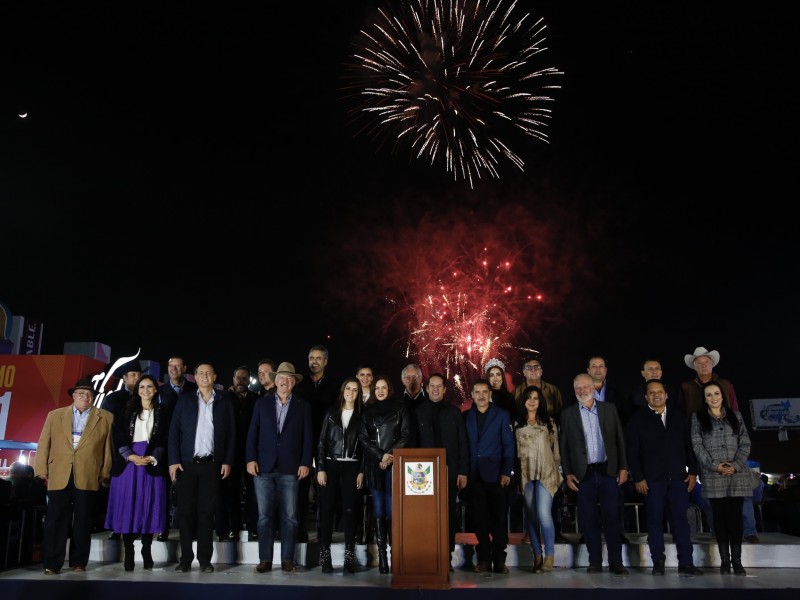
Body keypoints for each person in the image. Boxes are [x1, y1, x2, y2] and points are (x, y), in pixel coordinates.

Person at [35, 378, 114, 575]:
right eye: (81, 394)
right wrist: (40, 469)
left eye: (89, 394)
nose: (85, 397)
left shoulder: (105, 417)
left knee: (83, 520)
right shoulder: (55, 415)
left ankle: (79, 562)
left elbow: (107, 449)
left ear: (93, 397)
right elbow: (44, 443)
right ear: (73, 396)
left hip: (88, 474)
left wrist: (105, 473)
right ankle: (52, 564)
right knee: (55, 520)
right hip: (58, 473)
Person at [625, 379, 704, 577]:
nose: (656, 395)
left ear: (666, 395)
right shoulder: (637, 419)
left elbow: (689, 447)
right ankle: (658, 562)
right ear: (646, 397)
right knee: (654, 522)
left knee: (681, 522)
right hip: (652, 481)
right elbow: (632, 452)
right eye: (651, 393)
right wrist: (639, 478)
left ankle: (686, 562)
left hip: (678, 479)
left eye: (660, 392)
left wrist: (693, 472)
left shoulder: (679, 417)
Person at [168, 361, 236, 574]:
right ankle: (185, 560)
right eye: (200, 373)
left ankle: (205, 560)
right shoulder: (184, 400)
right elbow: (174, 433)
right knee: (186, 513)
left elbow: (232, 434)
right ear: (194, 377)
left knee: (206, 513)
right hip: (187, 465)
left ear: (215, 377)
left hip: (211, 465)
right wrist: (173, 460)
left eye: (209, 372)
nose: (205, 376)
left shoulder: (225, 401)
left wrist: (227, 461)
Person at [246, 361, 313, 574]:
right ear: (275, 381)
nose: (285, 382)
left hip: (291, 468)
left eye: (289, 379)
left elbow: (308, 438)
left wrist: (305, 462)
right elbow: (252, 434)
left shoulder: (303, 406)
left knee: (290, 517)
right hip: (263, 467)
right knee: (264, 516)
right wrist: (250, 459)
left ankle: (287, 560)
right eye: (281, 378)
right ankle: (265, 559)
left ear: (294, 382)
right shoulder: (261, 404)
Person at [559, 373, 629, 576]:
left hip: (608, 471)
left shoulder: (609, 409)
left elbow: (619, 439)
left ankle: (616, 562)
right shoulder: (568, 414)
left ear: (593, 387)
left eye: (585, 387)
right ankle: (595, 562)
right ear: (574, 390)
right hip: (583, 474)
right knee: (588, 520)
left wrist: (624, 467)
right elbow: (564, 448)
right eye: (578, 388)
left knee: (612, 518)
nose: (582, 390)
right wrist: (568, 473)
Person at [105, 374, 169, 571]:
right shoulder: (126, 411)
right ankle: (129, 551)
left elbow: (164, 439)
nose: (146, 390)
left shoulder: (163, 412)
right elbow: (118, 436)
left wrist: (152, 457)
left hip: (151, 463)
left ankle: (147, 550)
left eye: (150, 386)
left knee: (148, 506)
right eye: (142, 387)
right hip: (129, 465)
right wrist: (129, 455)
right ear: (137, 390)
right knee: (129, 506)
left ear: (155, 389)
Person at [691, 381, 752, 576]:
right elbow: (697, 445)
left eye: (716, 393)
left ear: (722, 396)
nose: (713, 397)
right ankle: (725, 561)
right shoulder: (698, 418)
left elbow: (745, 443)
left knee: (735, 519)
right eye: (709, 395)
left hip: (737, 474)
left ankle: (737, 561)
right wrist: (714, 465)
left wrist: (735, 465)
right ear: (705, 398)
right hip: (713, 474)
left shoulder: (736, 416)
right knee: (719, 519)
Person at [359, 374, 413, 574]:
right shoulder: (367, 412)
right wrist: (380, 456)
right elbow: (364, 439)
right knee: (379, 510)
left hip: (395, 465)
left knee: (393, 511)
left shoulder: (400, 408)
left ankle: (394, 554)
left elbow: (406, 434)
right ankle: (382, 556)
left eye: (383, 387)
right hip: (375, 465)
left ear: (389, 389)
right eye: (376, 388)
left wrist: (389, 455)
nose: (380, 391)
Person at [415, 372, 469, 571]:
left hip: (450, 471)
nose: (435, 389)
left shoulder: (454, 412)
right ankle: (429, 555)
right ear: (427, 388)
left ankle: (446, 557)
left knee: (448, 515)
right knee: (427, 515)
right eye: (432, 386)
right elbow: (413, 444)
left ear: (445, 390)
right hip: (424, 474)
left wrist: (463, 472)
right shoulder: (418, 411)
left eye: (439, 386)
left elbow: (463, 442)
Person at [463, 378, 515, 574]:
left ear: (490, 394)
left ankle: (500, 561)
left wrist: (506, 471)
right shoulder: (466, 416)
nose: (481, 396)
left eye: (485, 392)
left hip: (497, 477)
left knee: (499, 520)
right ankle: (483, 559)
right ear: (473, 395)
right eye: (477, 392)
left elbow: (509, 445)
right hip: (475, 476)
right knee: (480, 520)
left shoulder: (502, 415)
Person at [293, 345, 341, 543]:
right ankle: (300, 531)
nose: (314, 361)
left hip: (327, 444)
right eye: (311, 357)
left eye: (318, 358)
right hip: (302, 442)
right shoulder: (299, 384)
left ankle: (323, 532)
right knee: (300, 491)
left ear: (326, 362)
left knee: (325, 490)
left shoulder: (335, 384)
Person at [316, 377, 365, 574]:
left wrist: (361, 471)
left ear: (358, 393)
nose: (351, 392)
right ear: (343, 390)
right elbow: (321, 442)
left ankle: (349, 557)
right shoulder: (331, 413)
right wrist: (320, 468)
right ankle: (325, 555)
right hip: (331, 464)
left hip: (352, 467)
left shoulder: (363, 415)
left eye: (355, 389)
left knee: (350, 511)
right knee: (326, 511)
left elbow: (364, 447)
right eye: (348, 388)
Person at [515, 385, 562, 573]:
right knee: (531, 517)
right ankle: (537, 554)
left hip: (546, 472)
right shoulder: (517, 424)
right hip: (525, 473)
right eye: (529, 397)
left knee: (543, 514)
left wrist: (558, 472)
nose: (532, 400)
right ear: (524, 400)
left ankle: (550, 555)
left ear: (540, 401)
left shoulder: (549, 424)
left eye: (536, 397)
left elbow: (556, 451)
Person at [100, 358, 142, 539]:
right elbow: (105, 429)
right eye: (132, 375)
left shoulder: (147, 397)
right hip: (119, 453)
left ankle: (138, 526)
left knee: (139, 492)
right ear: (124, 379)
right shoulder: (113, 399)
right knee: (119, 494)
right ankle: (117, 527)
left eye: (139, 375)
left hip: (141, 452)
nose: (136, 379)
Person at [156, 354, 197, 542]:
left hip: (189, 448)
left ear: (185, 368)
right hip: (165, 449)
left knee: (188, 491)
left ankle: (187, 528)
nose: (173, 369)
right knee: (164, 489)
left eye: (178, 366)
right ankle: (162, 527)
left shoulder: (194, 390)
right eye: (170, 366)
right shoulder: (158, 392)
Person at [217, 366, 259, 542]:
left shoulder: (255, 400)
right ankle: (233, 527)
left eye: (244, 378)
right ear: (233, 379)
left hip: (251, 453)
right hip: (230, 454)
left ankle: (253, 528)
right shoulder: (223, 398)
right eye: (238, 378)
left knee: (253, 493)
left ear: (249, 381)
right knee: (231, 492)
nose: (240, 381)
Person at [680, 346, 739, 421]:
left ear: (712, 364)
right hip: (694, 429)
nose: (703, 365)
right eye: (699, 363)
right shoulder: (686, 387)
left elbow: (735, 409)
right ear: (694, 366)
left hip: (725, 429)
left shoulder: (725, 384)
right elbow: (681, 413)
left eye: (706, 362)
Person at [513, 356, 564, 425]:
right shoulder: (516, 392)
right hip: (523, 432)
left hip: (550, 430)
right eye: (529, 367)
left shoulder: (553, 390)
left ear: (541, 371)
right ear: (523, 372)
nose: (533, 370)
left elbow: (560, 413)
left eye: (536, 367)